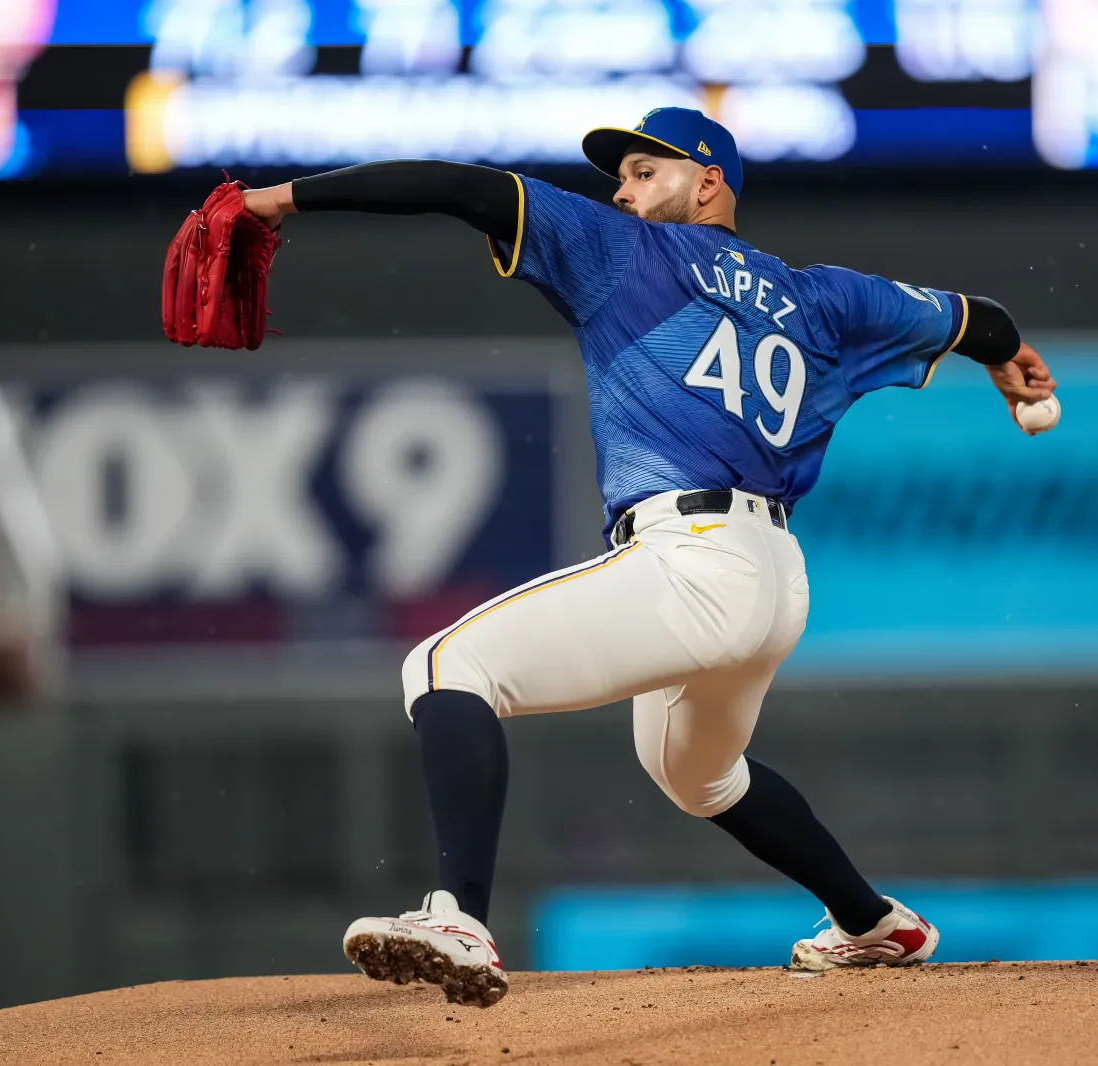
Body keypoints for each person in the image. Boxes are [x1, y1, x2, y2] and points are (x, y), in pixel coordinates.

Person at [241, 107, 1056, 1008]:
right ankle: (873, 923)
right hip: (775, 579)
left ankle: (458, 918)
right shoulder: (829, 298)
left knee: (445, 665)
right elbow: (977, 318)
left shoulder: (625, 252)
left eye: (643, 172)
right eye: (620, 179)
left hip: (693, 556)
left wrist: (278, 199)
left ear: (708, 183)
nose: (623, 193)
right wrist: (1007, 357)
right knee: (698, 776)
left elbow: (461, 187)